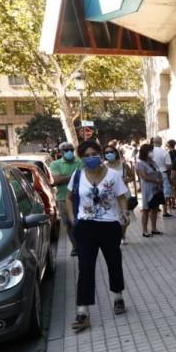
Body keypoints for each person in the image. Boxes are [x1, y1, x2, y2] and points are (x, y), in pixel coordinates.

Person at [67, 140, 130, 331]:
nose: (90, 158)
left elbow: (121, 196)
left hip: (109, 226)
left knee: (114, 262)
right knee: (85, 268)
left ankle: (118, 296)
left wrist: (124, 213)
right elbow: (69, 198)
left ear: (100, 154)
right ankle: (82, 312)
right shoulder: (77, 175)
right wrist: (73, 220)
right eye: (86, 155)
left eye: (94, 153)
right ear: (81, 158)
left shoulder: (112, 175)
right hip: (85, 226)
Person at [49, 141, 82, 256]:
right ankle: (75, 247)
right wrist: (75, 175)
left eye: (71, 150)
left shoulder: (80, 162)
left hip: (80, 197)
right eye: (66, 150)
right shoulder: (55, 164)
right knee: (69, 224)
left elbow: (84, 176)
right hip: (63, 198)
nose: (69, 152)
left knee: (81, 223)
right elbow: (56, 180)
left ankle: (83, 244)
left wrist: (65, 178)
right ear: (60, 152)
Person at [103, 143, 134, 244]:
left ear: (116, 153)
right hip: (109, 195)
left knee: (124, 216)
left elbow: (132, 176)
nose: (109, 154)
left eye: (111, 152)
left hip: (124, 194)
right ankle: (116, 235)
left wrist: (125, 181)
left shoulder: (123, 165)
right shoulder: (103, 166)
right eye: (106, 152)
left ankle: (122, 236)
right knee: (113, 216)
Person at [135, 142, 165, 237]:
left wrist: (160, 181)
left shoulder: (153, 162)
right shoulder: (140, 163)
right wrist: (156, 180)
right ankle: (144, 230)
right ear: (145, 152)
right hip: (148, 189)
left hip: (156, 188)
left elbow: (158, 172)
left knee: (155, 208)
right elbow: (144, 177)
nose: (152, 152)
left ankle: (154, 228)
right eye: (150, 151)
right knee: (146, 209)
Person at [151, 135, 175, 218]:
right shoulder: (164, 152)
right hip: (163, 173)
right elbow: (169, 165)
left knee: (154, 191)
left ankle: (155, 209)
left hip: (152, 174)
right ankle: (165, 211)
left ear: (153, 142)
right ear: (161, 142)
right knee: (165, 192)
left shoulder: (149, 151)